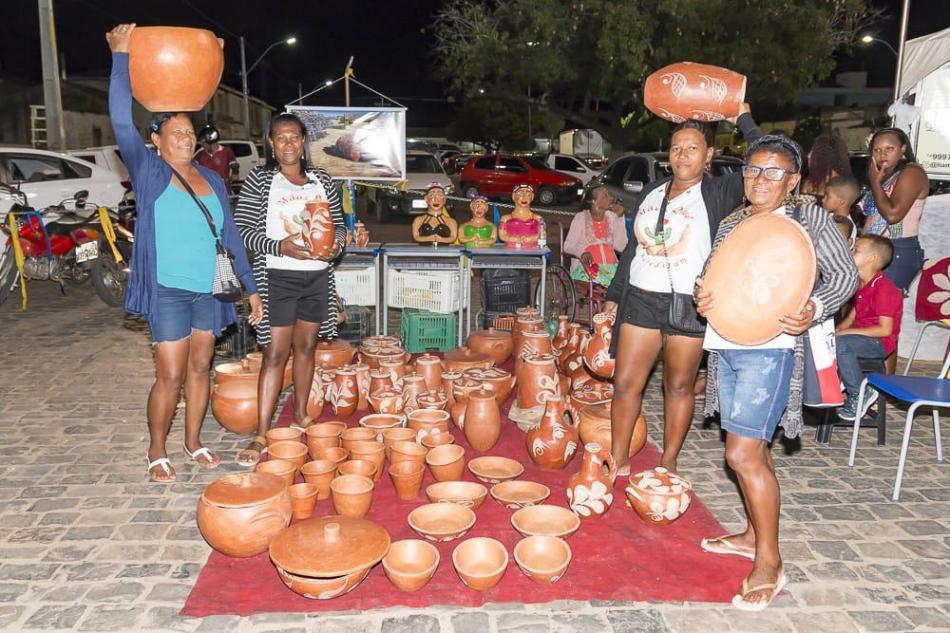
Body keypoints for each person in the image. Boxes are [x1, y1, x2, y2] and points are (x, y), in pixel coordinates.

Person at [696, 135, 857, 611]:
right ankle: (751, 535)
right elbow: (711, 274)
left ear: (791, 181)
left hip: (773, 349)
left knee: (742, 454)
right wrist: (701, 294)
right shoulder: (732, 222)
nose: (759, 180)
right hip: (727, 344)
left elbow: (844, 276)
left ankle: (770, 560)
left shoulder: (808, 219)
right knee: (753, 448)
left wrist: (814, 308)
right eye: (752, 169)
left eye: (772, 172)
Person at [106, 24, 262, 482]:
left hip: (208, 290)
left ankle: (193, 441)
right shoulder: (150, 171)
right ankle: (157, 448)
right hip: (169, 289)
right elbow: (119, 119)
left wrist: (250, 290)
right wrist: (121, 56)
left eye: (190, 133)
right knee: (170, 374)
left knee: (201, 367)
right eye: (175, 133)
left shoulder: (212, 180)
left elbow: (230, 238)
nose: (185, 139)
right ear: (156, 140)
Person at [604, 103, 762, 476]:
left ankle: (668, 461)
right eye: (676, 148)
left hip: (688, 304)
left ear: (708, 155)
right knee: (626, 383)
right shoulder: (652, 192)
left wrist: (742, 119)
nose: (682, 155)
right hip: (641, 297)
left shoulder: (719, 191)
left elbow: (765, 160)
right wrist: (614, 296)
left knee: (678, 386)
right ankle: (618, 458)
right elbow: (632, 249)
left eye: (692, 148)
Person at [234, 113, 346, 465]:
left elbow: (339, 226)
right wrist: (280, 246)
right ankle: (260, 435)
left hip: (315, 277)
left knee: (307, 348)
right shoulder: (261, 180)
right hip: (278, 277)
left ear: (303, 141)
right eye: (280, 138)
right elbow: (242, 230)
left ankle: (299, 415)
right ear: (270, 143)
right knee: (274, 355)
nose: (287, 144)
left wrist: (336, 246)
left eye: (294, 137)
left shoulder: (321, 180)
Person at [835, 235, 901, 420]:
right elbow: (853, 314)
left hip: (879, 343)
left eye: (856, 250)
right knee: (828, 339)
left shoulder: (884, 288)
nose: (851, 252)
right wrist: (839, 329)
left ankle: (858, 393)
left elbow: (885, 330)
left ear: (872, 258)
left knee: (842, 344)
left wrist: (846, 333)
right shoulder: (862, 283)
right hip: (861, 338)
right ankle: (833, 382)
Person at [861, 127, 929, 291]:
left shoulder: (912, 172)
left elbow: (893, 215)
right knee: (868, 310)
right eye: (877, 150)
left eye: (889, 149)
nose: (882, 154)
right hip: (875, 248)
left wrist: (875, 183)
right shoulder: (886, 175)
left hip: (896, 250)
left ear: (903, 149)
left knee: (884, 312)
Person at [563, 184, 628, 287]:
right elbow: (567, 246)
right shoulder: (581, 218)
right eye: (605, 196)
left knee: (629, 284)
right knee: (611, 286)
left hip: (611, 269)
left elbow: (621, 246)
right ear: (594, 201)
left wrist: (619, 218)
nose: (610, 198)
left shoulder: (612, 217)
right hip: (588, 269)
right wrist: (582, 252)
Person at [498, 184, 544, 249]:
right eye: (520, 194)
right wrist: (514, 239)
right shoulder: (505, 219)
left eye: (528, 194)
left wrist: (530, 239)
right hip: (511, 249)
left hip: (532, 250)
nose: (524, 197)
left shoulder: (538, 218)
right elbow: (502, 235)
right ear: (513, 196)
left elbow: (542, 234)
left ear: (532, 197)